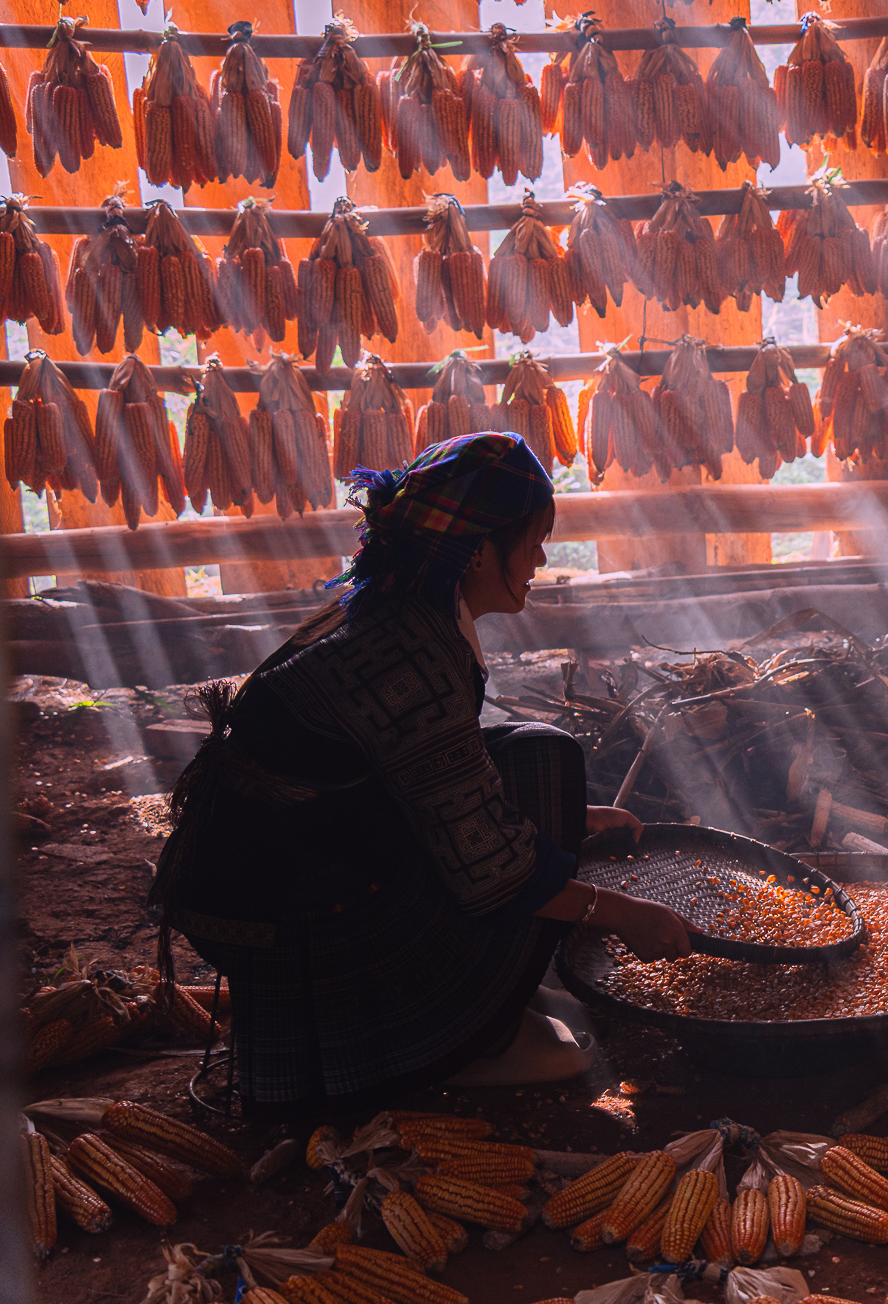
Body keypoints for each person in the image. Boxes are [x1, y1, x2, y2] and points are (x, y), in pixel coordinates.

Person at [151, 433, 692, 1120]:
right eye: (531, 541)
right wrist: (625, 914)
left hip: (313, 848)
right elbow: (487, 867)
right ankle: (467, 1037)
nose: (540, 559)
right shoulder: (411, 656)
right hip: (277, 906)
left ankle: (495, 995)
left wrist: (575, 817)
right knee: (534, 782)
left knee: (541, 761)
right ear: (475, 552)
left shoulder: (410, 617)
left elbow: (427, 774)